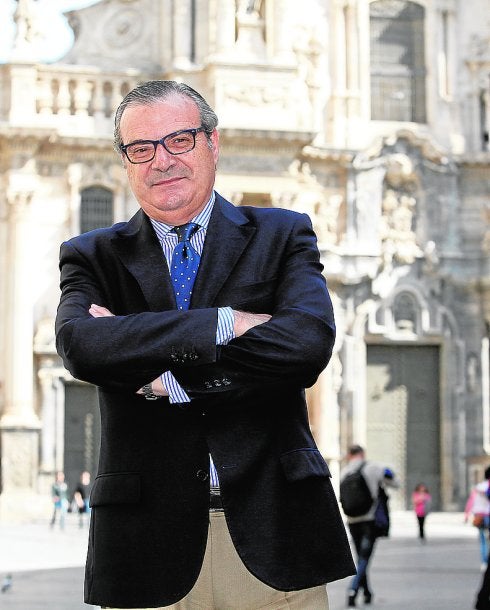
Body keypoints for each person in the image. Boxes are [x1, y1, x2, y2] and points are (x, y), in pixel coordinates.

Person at [55, 80, 355, 610]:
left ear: (213, 143)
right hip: (145, 550)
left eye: (180, 140)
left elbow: (306, 344)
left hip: (275, 540)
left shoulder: (282, 234)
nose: (162, 160)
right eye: (141, 148)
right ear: (126, 161)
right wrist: (220, 324)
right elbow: (81, 345)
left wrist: (161, 372)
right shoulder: (91, 254)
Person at [340, 444, 399, 608]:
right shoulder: (375, 467)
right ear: (362, 454)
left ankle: (367, 592)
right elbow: (395, 482)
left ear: (350, 455)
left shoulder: (344, 471)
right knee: (365, 558)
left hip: (352, 520)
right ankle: (352, 589)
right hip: (369, 520)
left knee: (360, 558)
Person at [465, 466, 490, 571]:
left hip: (479, 515)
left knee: (483, 540)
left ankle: (484, 562)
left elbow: (471, 502)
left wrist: (467, 514)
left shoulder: (479, 487)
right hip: (488, 515)